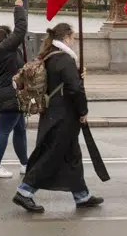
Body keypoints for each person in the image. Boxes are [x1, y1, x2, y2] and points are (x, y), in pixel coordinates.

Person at [13, 22, 102, 213]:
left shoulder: (49, 56)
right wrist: (83, 111)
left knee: (72, 155)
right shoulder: (65, 59)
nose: (75, 41)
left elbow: (60, 82)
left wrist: (77, 75)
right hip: (63, 116)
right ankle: (24, 192)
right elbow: (75, 88)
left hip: (53, 113)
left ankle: (81, 195)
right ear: (66, 37)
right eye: (74, 37)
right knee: (50, 156)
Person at [0, 0, 29, 178]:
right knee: (3, 131)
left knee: (20, 129)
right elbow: (21, 30)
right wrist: (18, 9)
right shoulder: (6, 49)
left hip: (4, 94)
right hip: (9, 96)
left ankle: (25, 164)